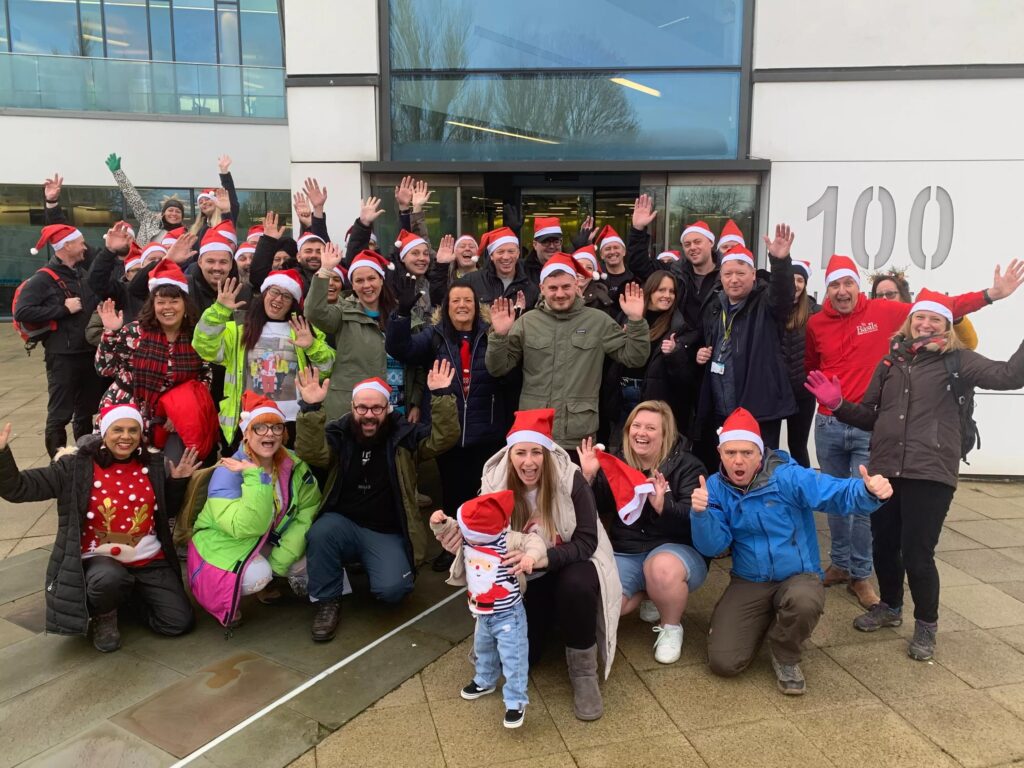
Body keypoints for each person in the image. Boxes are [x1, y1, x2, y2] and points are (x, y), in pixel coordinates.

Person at [805, 288, 1024, 661]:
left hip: (930, 472)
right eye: (920, 318)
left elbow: (1009, 376)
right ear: (910, 322)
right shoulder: (890, 363)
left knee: (918, 554)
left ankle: (926, 625)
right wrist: (838, 405)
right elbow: (871, 416)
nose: (925, 324)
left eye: (935, 319)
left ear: (946, 325)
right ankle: (890, 607)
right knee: (884, 546)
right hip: (886, 470)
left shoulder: (960, 361)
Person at [436, 409, 622, 721]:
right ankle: (548, 621)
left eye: (536, 452)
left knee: (576, 586)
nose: (529, 462)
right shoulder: (494, 481)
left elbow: (588, 540)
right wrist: (455, 538)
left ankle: (584, 675)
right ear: (510, 455)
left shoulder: (570, 478)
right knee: (529, 656)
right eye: (520, 452)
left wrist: (546, 557)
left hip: (569, 562)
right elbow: (482, 535)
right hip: (525, 575)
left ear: (547, 453)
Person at [690, 408, 892, 694]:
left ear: (760, 454)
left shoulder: (787, 477)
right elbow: (713, 546)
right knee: (724, 663)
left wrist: (868, 491)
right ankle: (769, 616)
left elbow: (831, 492)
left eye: (747, 453)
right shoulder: (713, 487)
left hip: (797, 575)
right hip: (750, 579)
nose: (738, 460)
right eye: (731, 452)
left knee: (804, 600)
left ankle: (785, 654)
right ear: (719, 453)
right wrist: (700, 515)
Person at [0, 404, 199, 652]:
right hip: (100, 561)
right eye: (118, 429)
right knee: (108, 579)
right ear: (104, 432)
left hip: (147, 559)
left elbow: (164, 513)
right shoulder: (74, 467)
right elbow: (19, 488)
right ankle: (105, 613)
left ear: (140, 435)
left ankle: (129, 597)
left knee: (178, 623)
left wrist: (178, 482)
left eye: (132, 430)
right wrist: (2, 455)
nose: (125, 436)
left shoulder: (154, 464)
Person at [295, 362, 460, 642]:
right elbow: (312, 452)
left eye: (376, 409)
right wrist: (310, 410)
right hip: (343, 523)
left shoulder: (404, 436)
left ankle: (372, 564)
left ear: (388, 409)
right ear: (353, 407)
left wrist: (442, 395)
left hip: (387, 531)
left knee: (393, 592)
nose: (368, 415)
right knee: (321, 532)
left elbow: (443, 439)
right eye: (362, 408)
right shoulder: (340, 432)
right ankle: (327, 601)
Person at [385, 278, 512, 570]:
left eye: (468, 300)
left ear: (477, 306)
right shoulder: (433, 337)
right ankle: (453, 548)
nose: (462, 306)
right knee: (453, 492)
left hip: (487, 430)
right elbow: (400, 348)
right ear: (445, 308)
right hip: (449, 432)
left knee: (484, 492)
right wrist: (401, 314)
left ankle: (484, 546)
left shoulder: (492, 334)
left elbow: (509, 373)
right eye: (455, 301)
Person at [580, 401, 707, 664]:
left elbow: (696, 522)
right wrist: (589, 477)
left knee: (659, 568)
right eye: (636, 426)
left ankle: (672, 627)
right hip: (628, 550)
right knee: (606, 602)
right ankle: (651, 593)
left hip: (675, 551)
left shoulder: (689, 466)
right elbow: (598, 506)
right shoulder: (619, 462)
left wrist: (663, 506)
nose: (641, 433)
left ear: (665, 434)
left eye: (651, 428)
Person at [485, 253, 650, 452]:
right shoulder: (527, 322)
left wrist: (635, 321)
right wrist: (499, 336)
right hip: (534, 431)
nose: (560, 294)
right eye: (553, 288)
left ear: (577, 287)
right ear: (542, 289)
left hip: (579, 435)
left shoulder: (598, 321)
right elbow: (498, 368)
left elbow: (635, 358)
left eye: (566, 286)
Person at [188, 393, 321, 627]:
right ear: (246, 433)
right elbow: (246, 526)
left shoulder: (294, 464)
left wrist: (284, 555)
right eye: (259, 427)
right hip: (225, 543)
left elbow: (309, 508)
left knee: (307, 560)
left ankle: (270, 573)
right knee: (257, 576)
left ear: (284, 434)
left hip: (267, 537)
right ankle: (223, 595)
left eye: (276, 427)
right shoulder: (227, 471)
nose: (269, 433)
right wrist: (254, 477)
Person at [429, 491, 545, 729]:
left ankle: (515, 701)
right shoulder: (469, 537)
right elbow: (451, 527)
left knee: (514, 658)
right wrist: (438, 523)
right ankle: (485, 680)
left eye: (469, 533)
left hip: (509, 615)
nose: (465, 536)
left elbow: (535, 541)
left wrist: (530, 558)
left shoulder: (507, 539)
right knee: (483, 649)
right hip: (482, 612)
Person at [192, 270, 334, 448]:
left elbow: (327, 367)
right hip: (248, 419)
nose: (278, 299)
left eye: (286, 296)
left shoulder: (303, 329)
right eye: (274, 292)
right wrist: (219, 311)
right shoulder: (238, 329)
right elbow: (203, 347)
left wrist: (312, 346)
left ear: (293, 303)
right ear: (264, 294)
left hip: (292, 422)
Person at [693, 227, 797, 452]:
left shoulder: (765, 304)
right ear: (721, 277)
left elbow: (783, 295)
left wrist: (780, 262)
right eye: (728, 274)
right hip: (720, 409)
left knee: (759, 470)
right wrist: (703, 354)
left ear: (753, 275)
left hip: (757, 409)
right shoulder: (715, 305)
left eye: (740, 273)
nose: (734, 280)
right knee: (727, 468)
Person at [95, 260, 212, 446]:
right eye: (161, 302)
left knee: (171, 468)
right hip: (126, 410)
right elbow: (105, 369)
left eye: (174, 301)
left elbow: (203, 377)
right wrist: (110, 333)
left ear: (185, 304)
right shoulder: (135, 332)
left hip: (171, 417)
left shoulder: (195, 337)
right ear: (153, 305)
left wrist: (181, 411)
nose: (167, 307)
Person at [16, 222, 106, 458]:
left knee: (87, 412)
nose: (84, 246)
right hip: (62, 357)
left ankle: (86, 460)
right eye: (80, 242)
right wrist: (62, 309)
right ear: (67, 246)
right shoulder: (42, 279)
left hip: (89, 354)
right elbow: (22, 312)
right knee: (60, 415)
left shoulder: (81, 272)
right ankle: (59, 467)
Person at [307, 245, 423, 422]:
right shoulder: (342, 313)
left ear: (381, 280)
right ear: (352, 285)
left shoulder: (402, 314)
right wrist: (325, 270)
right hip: (352, 410)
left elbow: (418, 364)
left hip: (397, 407)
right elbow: (314, 312)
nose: (366, 285)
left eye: (371, 278)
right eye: (359, 281)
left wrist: (415, 402)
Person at [604, 270, 699, 445]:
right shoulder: (629, 317)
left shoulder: (681, 327)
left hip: (655, 400)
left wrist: (674, 354)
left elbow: (687, 380)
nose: (667, 295)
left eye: (671, 291)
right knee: (621, 451)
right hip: (623, 397)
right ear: (650, 291)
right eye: (661, 290)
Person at [870, 267, 979, 350]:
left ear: (903, 295)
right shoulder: (870, 325)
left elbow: (968, 344)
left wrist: (957, 317)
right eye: (879, 295)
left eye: (890, 294)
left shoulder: (921, 319)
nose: (884, 299)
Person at [780, 259, 821, 468]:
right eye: (791, 278)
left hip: (803, 391)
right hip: (775, 391)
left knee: (797, 445)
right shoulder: (774, 309)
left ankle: (803, 492)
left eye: (800, 280)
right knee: (769, 447)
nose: (795, 284)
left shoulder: (816, 312)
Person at [104, 152, 186, 245]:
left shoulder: (186, 236)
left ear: (182, 217)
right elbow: (134, 198)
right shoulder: (149, 222)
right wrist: (118, 173)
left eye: (178, 211)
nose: (174, 214)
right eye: (170, 210)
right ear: (163, 213)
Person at [462, 226, 539, 308]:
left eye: (511, 251)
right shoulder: (471, 281)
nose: (506, 257)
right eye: (500, 252)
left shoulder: (530, 288)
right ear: (491, 256)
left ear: (518, 254)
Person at [427, 233, 478, 306]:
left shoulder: (486, 278)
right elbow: (437, 301)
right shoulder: (446, 276)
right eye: (462, 246)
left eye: (471, 246)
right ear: (455, 253)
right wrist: (441, 266)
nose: (467, 249)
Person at [522, 216, 565, 285]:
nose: (551, 246)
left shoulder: (569, 267)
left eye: (556, 242)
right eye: (546, 242)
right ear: (535, 244)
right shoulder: (522, 270)